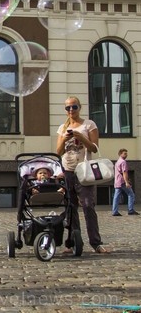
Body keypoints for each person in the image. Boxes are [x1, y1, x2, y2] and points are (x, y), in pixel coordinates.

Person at [56, 96, 109, 253]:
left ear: (80, 107)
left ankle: (96, 242)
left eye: (74, 107)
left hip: (84, 171)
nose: (71, 110)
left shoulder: (89, 124)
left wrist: (81, 137)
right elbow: (58, 152)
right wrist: (65, 139)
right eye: (68, 108)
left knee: (87, 205)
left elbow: (93, 148)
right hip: (68, 170)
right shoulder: (62, 128)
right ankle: (72, 242)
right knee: (71, 207)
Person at [112, 149, 137, 216]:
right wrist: (127, 182)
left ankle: (115, 211)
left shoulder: (117, 162)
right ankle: (130, 210)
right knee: (131, 194)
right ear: (120, 154)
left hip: (117, 181)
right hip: (122, 182)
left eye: (126, 153)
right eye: (125, 153)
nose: (126, 155)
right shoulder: (123, 162)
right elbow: (124, 172)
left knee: (116, 197)